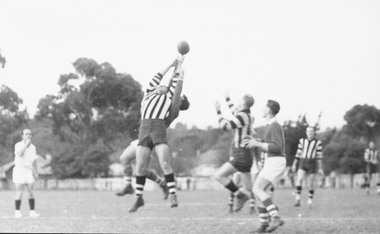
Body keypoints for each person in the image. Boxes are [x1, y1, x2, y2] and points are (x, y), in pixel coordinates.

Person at [129, 56, 186, 213]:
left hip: (158, 127)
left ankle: (173, 194)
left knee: (164, 163)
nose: (162, 86)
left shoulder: (168, 97)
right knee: (140, 167)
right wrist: (170, 63)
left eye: (165, 87)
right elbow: (158, 75)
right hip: (144, 128)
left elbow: (176, 79)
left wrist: (180, 65)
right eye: (160, 86)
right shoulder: (148, 93)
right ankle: (139, 198)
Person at [115, 94, 190, 199]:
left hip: (152, 139)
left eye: (180, 97)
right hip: (144, 135)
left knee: (140, 170)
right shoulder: (165, 104)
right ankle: (129, 185)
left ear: (180, 103)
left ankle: (161, 183)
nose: (177, 96)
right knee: (125, 159)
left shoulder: (173, 111)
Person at [243, 100, 286, 233]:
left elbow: (277, 147)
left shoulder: (274, 126)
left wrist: (257, 144)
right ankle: (264, 225)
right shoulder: (271, 125)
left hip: (275, 161)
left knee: (257, 188)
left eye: (264, 107)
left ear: (268, 110)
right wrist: (257, 141)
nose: (262, 109)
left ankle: (275, 217)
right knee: (259, 192)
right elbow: (270, 144)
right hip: (273, 161)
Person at [213, 92, 255, 213]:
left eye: (239, 100)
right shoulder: (246, 114)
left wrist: (218, 111)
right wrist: (227, 98)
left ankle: (239, 195)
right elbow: (234, 111)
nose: (237, 102)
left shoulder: (242, 116)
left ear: (243, 103)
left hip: (240, 154)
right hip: (246, 154)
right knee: (251, 189)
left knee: (219, 176)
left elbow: (225, 127)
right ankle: (269, 206)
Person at [292, 126, 324, 207]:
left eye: (311, 131)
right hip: (303, 161)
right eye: (308, 131)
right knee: (299, 179)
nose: (309, 133)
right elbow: (298, 153)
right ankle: (298, 199)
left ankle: (309, 201)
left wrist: (320, 168)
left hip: (312, 163)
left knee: (310, 184)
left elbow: (319, 156)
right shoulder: (302, 141)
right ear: (306, 133)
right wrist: (294, 164)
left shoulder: (318, 143)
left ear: (314, 133)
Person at [13, 129, 40, 218]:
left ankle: (32, 211)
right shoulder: (18, 145)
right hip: (19, 169)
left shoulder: (33, 147)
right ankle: (17, 211)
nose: (28, 135)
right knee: (19, 191)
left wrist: (36, 172)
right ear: (22, 136)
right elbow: (19, 154)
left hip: (28, 170)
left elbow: (34, 160)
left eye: (29, 134)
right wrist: (26, 145)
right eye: (26, 134)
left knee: (31, 191)